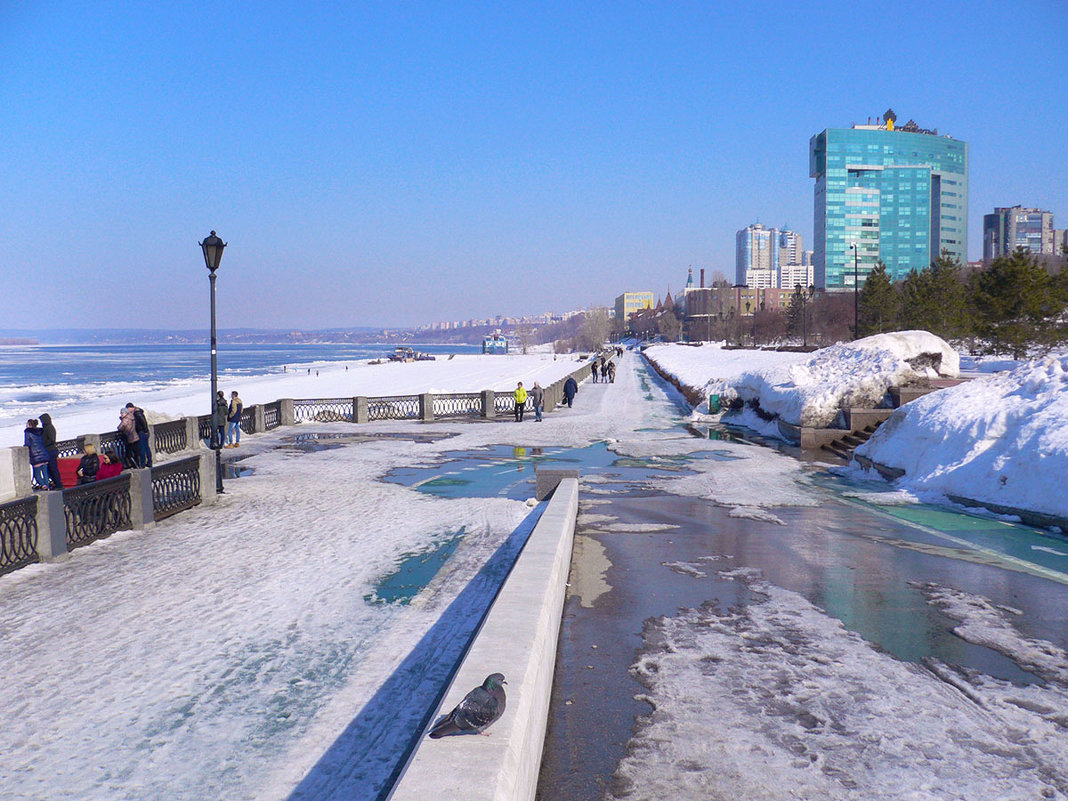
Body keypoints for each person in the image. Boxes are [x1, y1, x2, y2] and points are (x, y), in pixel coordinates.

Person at [24, 419, 52, 490]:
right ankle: (47, 486)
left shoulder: (28, 432)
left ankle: (43, 485)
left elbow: (27, 443)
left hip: (35, 455)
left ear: (29, 425)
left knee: (37, 474)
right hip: (44, 453)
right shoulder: (41, 431)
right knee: (45, 472)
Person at [39, 412, 63, 490]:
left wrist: (43, 444)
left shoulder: (49, 428)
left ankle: (58, 484)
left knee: (53, 469)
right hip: (48, 451)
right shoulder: (46, 428)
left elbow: (52, 440)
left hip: (51, 451)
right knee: (49, 469)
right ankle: (56, 483)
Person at [126, 403, 152, 467]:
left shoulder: (137, 413)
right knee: (146, 448)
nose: (128, 410)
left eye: (128, 409)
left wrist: (145, 431)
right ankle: (149, 462)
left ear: (131, 407)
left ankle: (143, 464)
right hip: (143, 432)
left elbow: (143, 422)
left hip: (141, 432)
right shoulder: (137, 412)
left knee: (142, 448)